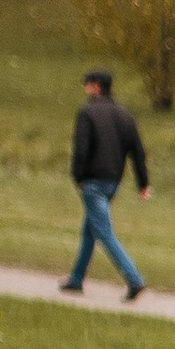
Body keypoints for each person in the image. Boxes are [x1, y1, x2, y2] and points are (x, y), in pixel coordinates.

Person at [62, 71, 149, 300]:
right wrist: (143, 183)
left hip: (93, 182)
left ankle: (134, 279)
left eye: (88, 84)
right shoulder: (125, 115)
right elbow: (137, 152)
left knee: (104, 232)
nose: (86, 88)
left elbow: (81, 148)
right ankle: (76, 279)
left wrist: (77, 176)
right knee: (90, 229)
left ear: (97, 87)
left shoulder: (87, 112)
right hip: (113, 182)